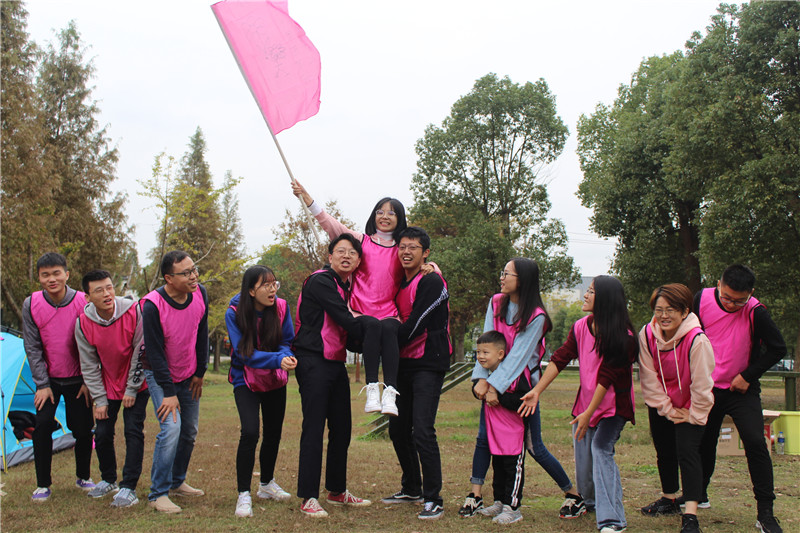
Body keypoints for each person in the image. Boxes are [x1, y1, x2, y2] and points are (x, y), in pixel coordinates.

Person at [459, 258, 582, 519]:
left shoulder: (537, 316)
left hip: (522, 390)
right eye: (502, 273)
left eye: (507, 274)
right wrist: (480, 379)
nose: (501, 278)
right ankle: (497, 500)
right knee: (486, 440)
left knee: (533, 446)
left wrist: (493, 386)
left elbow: (518, 357)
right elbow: (486, 342)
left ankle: (573, 493)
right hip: (495, 383)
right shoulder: (495, 303)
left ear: (522, 280)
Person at [519, 275, 636, 533]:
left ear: (605, 299)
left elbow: (606, 377)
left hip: (612, 408)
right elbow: (560, 358)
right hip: (585, 405)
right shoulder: (582, 326)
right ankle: (590, 502)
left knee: (601, 449)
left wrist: (589, 414)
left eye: (591, 291)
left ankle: (613, 520)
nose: (585, 295)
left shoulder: (624, 336)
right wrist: (537, 391)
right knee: (584, 458)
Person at [292, 180, 410, 415]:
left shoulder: (402, 249)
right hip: (359, 311)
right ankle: (372, 387)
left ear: (399, 218)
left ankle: (390, 391)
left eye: (391, 213)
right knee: (372, 327)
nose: (384, 216)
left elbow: (418, 261)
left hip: (388, 313)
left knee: (387, 330)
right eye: (380, 211)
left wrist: (433, 267)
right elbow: (331, 225)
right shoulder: (362, 242)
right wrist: (308, 199)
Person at [694, 265, 786, 533]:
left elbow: (778, 348)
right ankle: (699, 496)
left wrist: (748, 375)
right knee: (703, 441)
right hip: (707, 387)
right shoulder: (700, 300)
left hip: (741, 389)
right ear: (719, 285)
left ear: (751, 294)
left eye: (739, 300)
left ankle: (765, 514)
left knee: (756, 442)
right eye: (727, 297)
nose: (732, 304)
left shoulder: (756, 311)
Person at [293, 234, 373, 518]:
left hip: (335, 363)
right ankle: (309, 497)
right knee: (314, 428)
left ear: (358, 261)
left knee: (342, 427)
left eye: (353, 253)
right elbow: (344, 318)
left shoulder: (346, 286)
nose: (347, 256)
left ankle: (336, 490)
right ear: (330, 257)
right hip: (312, 361)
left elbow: (349, 334)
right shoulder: (321, 281)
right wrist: (379, 330)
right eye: (341, 251)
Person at [380, 227, 450, 520]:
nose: (406, 252)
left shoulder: (432, 281)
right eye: (402, 247)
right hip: (403, 364)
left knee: (422, 429)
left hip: (428, 362)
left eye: (413, 247)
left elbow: (418, 322)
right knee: (397, 428)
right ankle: (412, 487)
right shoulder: (398, 283)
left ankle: (433, 498)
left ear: (426, 254)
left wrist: (383, 341)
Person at [637, 283, 714, 533]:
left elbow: (703, 384)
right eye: (659, 309)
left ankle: (691, 514)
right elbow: (648, 377)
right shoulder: (647, 335)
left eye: (671, 309)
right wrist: (668, 409)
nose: (664, 315)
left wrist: (693, 414)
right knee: (664, 451)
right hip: (662, 402)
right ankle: (669, 499)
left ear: (685, 311)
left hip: (692, 405)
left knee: (688, 453)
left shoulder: (697, 340)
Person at [226, 265, 298, 518]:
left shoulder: (280, 307)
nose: (272, 290)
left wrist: (286, 357)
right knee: (250, 432)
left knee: (273, 433)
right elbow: (243, 354)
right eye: (265, 285)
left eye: (273, 284)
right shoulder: (234, 312)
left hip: (274, 379)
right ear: (250, 290)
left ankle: (266, 484)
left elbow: (286, 341)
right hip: (244, 379)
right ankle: (243, 493)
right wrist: (277, 359)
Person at [23, 252, 95, 501]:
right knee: (42, 426)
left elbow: (91, 343)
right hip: (49, 381)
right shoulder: (31, 303)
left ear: (66, 274)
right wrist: (42, 384)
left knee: (83, 429)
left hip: (79, 379)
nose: (51, 279)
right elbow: (32, 346)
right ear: (39, 278)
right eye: (45, 275)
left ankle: (84, 477)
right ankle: (43, 484)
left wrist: (88, 381)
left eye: (56, 273)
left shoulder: (82, 302)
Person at [140, 251, 209, 513]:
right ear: (168, 278)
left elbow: (201, 333)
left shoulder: (200, 293)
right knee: (171, 428)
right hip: (160, 376)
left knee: (189, 431)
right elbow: (155, 353)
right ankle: (158, 493)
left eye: (194, 269)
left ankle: (177, 482)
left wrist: (200, 372)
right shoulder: (152, 305)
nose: (194, 276)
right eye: (186, 273)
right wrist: (169, 393)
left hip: (189, 372)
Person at [75, 269, 149, 508]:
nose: (107, 294)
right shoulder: (83, 323)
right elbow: (88, 363)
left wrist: (131, 388)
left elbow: (141, 351)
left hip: (136, 383)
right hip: (107, 385)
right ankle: (108, 479)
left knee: (132, 430)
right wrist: (100, 399)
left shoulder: (134, 310)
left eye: (109, 287)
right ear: (87, 297)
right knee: (103, 432)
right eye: (99, 290)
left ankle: (129, 487)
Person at [472, 330, 529, 525]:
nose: (480, 356)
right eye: (478, 352)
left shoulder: (515, 375)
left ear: (501, 354)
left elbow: (522, 401)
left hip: (514, 435)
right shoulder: (486, 376)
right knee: (498, 469)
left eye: (485, 352)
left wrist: (499, 396)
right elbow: (478, 392)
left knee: (513, 470)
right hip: (495, 435)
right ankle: (499, 502)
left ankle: (512, 507)